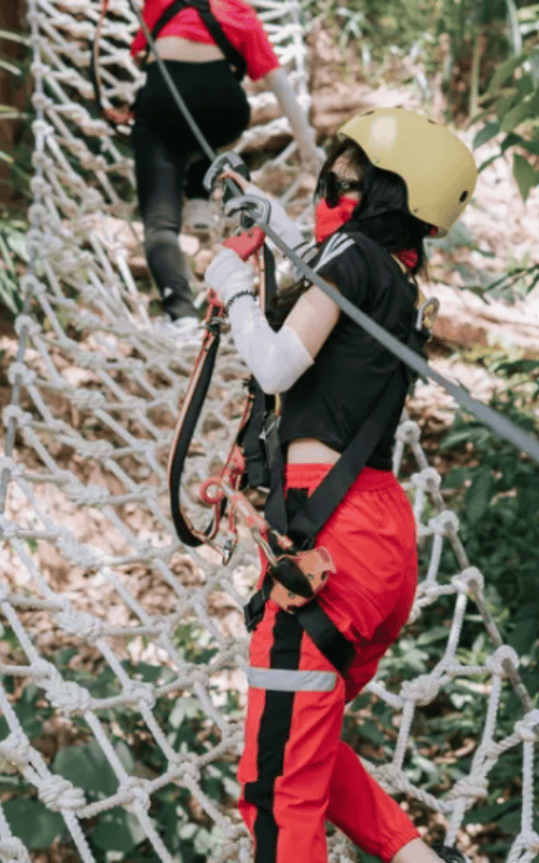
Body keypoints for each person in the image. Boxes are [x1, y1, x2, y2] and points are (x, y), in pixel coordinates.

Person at [202, 107, 479, 863]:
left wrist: (233, 289)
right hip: (380, 545)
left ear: (379, 196)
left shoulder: (352, 256)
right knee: (306, 747)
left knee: (274, 788)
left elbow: (277, 364)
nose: (331, 191)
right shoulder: (397, 280)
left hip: (330, 549)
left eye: (345, 180)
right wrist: (279, 222)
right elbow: (336, 276)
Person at [124, 0, 324, 337]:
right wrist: (309, 151)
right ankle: (201, 193)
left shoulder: (158, 3)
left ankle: (181, 316)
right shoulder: (240, 11)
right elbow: (281, 87)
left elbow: (140, 56)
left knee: (160, 224)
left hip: (162, 102)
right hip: (222, 109)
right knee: (218, 126)